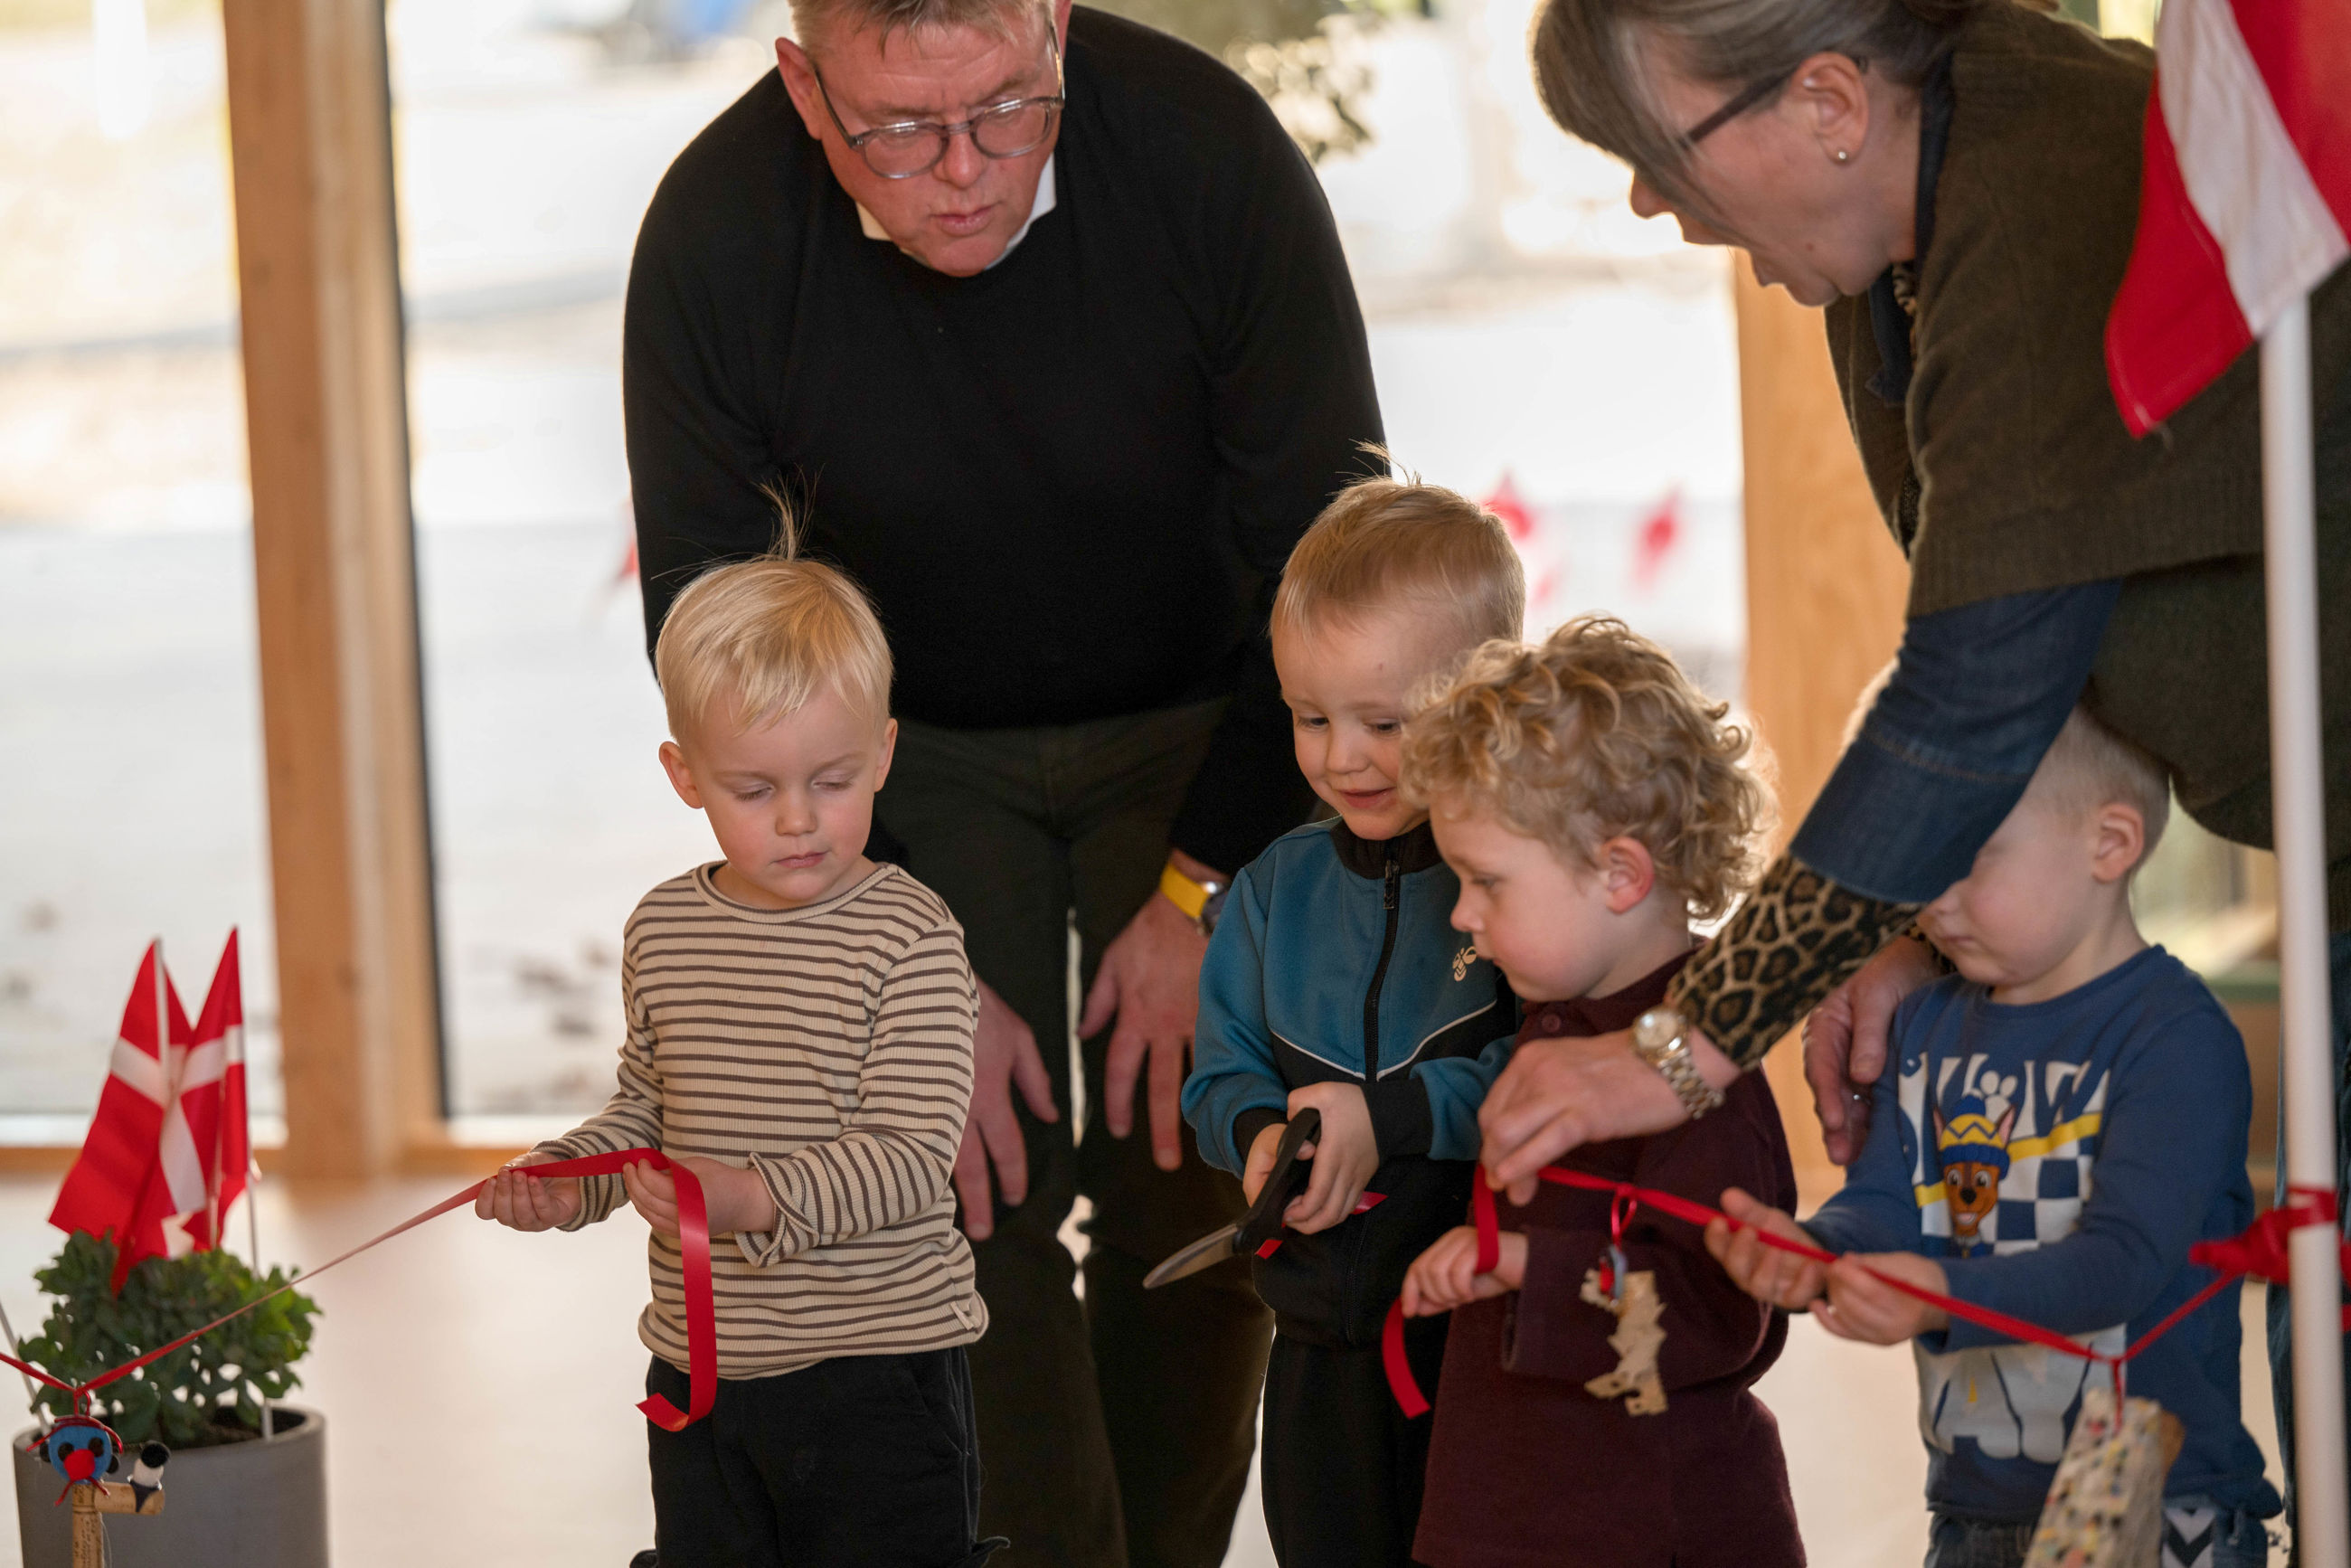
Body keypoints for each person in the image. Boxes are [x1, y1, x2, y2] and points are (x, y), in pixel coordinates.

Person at [1472, 0, 2347, 1508]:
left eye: (1657, 156)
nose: (1646, 204)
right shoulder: (1884, 262)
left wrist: (1686, 1040)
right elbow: (2019, 637)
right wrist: (1896, 916)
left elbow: (1969, 698)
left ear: (1828, 101)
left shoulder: (2036, 196)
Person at [619, 0, 1384, 1555]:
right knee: (956, 1174)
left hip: (1208, 714)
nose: (963, 171)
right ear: (803, 87)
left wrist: (1204, 885)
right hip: (894, 753)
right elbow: (715, 645)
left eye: (1011, 110)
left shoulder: (1205, 151)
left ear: (1055, 27)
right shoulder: (718, 229)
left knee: (1195, 1151)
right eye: (899, 130)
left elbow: (1333, 567)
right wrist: (896, 945)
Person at [473, 542, 999, 1567]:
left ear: (884, 754)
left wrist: (749, 1196)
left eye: (834, 781)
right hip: (700, 1372)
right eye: (754, 790)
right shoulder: (662, 931)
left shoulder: (911, 934)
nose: (800, 820)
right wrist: (569, 1177)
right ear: (683, 775)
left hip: (876, 1373)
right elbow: (646, 1115)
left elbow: (907, 1155)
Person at [1713, 706, 2282, 1568]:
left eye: (1970, 857)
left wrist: (1941, 1294)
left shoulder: (2177, 1037)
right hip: (1974, 1508)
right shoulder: (1922, 1024)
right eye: (1921, 858)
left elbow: (2123, 1262)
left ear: (2110, 843)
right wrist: (1815, 1254)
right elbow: (1882, 1206)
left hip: (2162, 1512)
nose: (1932, 898)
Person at [1396, 619, 1802, 1568]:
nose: (1460, 914)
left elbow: (1714, 1313)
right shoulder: (1548, 1016)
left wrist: (1520, 1270)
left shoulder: (1691, 1076)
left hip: (1645, 1528)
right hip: (1511, 1513)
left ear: (1619, 874)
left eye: (1484, 882)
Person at [1181, 477, 1525, 1568]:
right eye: (1309, 717)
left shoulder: (1516, 882)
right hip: (1316, 1347)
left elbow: (1545, 1071)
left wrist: (1400, 1115)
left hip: (1475, 1340)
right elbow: (1216, 1076)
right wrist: (1257, 1141)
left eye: (1384, 723)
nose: (1340, 759)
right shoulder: (1269, 890)